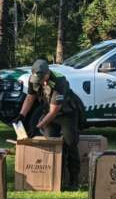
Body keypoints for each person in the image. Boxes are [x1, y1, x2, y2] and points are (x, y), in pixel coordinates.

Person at [16, 58, 81, 190]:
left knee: (70, 144)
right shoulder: (33, 79)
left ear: (47, 73)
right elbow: (30, 97)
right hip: (49, 113)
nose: (39, 82)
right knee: (51, 144)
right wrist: (21, 115)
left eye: (41, 79)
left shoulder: (59, 82)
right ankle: (56, 179)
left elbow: (54, 111)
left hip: (66, 114)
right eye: (37, 80)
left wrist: (37, 126)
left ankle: (74, 180)